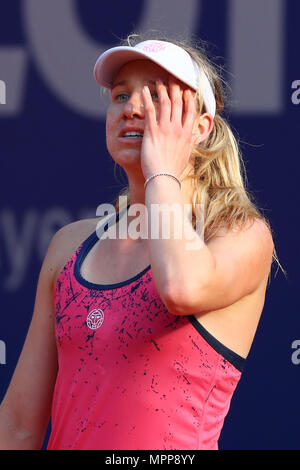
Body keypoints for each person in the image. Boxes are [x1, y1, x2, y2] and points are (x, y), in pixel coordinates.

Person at [0, 32, 284, 451]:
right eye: (120, 96)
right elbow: (19, 423)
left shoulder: (239, 235)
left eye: (156, 96)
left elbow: (181, 289)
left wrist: (162, 172)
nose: (132, 108)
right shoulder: (69, 245)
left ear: (201, 127)